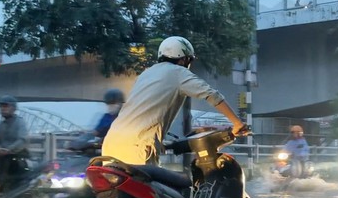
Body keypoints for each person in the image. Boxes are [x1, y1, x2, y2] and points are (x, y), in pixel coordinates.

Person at [101, 36, 247, 165]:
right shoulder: (178, 72)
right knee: (157, 193)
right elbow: (212, 95)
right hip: (137, 147)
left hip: (110, 144)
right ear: (183, 59)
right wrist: (237, 123)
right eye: (189, 60)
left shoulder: (146, 74)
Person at [0, 95, 29, 190]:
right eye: (1, 106)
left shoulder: (19, 122)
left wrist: (9, 149)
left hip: (15, 155)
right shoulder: (1, 125)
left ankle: (5, 190)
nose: (2, 109)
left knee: (5, 171)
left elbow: (22, 140)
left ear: (13, 108)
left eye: (5, 106)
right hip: (2, 154)